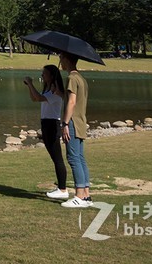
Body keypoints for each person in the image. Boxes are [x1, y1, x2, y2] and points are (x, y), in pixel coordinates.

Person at [23, 65, 68, 199]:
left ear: (52, 76)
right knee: (55, 158)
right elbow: (34, 98)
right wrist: (29, 86)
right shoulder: (49, 89)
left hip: (52, 125)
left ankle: (63, 189)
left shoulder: (56, 91)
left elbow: (38, 98)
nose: (42, 76)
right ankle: (61, 187)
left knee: (57, 158)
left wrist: (30, 83)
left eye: (44, 74)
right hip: (46, 124)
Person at [59, 52, 93, 208]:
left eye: (61, 58)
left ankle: (79, 195)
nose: (60, 61)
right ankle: (86, 194)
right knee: (80, 157)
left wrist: (65, 124)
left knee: (73, 158)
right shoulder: (81, 78)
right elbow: (74, 99)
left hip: (72, 122)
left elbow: (72, 103)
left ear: (67, 60)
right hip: (80, 121)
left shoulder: (72, 78)